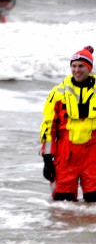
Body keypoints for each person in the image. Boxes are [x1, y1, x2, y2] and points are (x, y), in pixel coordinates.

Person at [40, 45, 96, 202]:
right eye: (74, 66)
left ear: (89, 68)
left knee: (93, 205)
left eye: (81, 66)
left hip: (93, 154)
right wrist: (47, 160)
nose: (77, 70)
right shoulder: (58, 93)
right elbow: (48, 127)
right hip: (66, 156)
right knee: (63, 207)